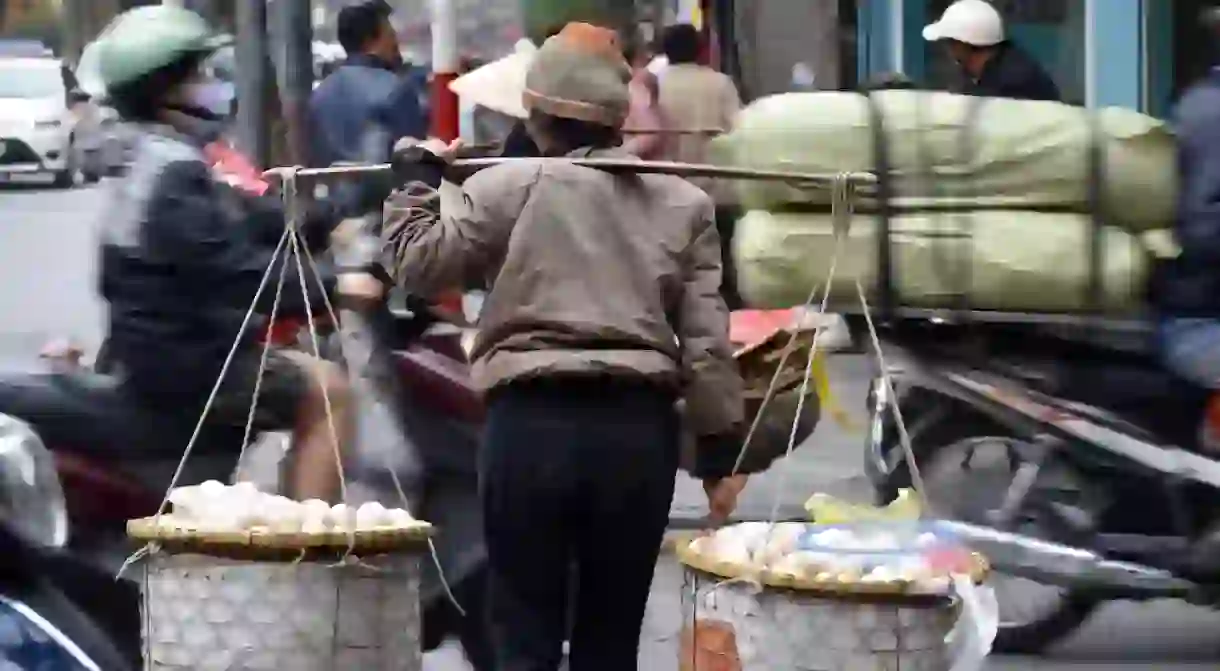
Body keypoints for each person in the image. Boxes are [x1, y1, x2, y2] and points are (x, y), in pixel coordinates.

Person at [370, 22, 756, 670]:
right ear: (616, 120)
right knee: (611, 636)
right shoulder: (682, 203)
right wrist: (719, 446)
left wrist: (414, 185)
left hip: (530, 428)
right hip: (636, 435)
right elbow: (706, 342)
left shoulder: (501, 186)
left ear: (536, 115)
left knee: (526, 629)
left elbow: (417, 264)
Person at [90, 5, 353, 502]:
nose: (213, 86)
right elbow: (236, 274)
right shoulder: (171, 174)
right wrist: (338, 287)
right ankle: (309, 550)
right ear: (165, 91)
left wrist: (331, 215)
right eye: (200, 76)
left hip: (159, 347)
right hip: (187, 360)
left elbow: (245, 222)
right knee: (330, 391)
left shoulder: (154, 157)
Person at [656, 23, 744, 308]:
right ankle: (727, 306)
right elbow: (739, 129)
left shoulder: (653, 85)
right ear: (701, 50)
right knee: (720, 257)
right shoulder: (719, 83)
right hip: (717, 186)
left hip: (668, 187)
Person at [309, 0, 426, 168]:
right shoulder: (396, 89)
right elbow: (417, 161)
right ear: (369, 41)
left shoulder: (319, 95)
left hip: (330, 192)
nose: (396, 45)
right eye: (391, 35)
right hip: (386, 192)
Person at [922, 0, 1060, 102]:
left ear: (962, 44)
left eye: (950, 42)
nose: (948, 49)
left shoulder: (1011, 84)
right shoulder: (988, 71)